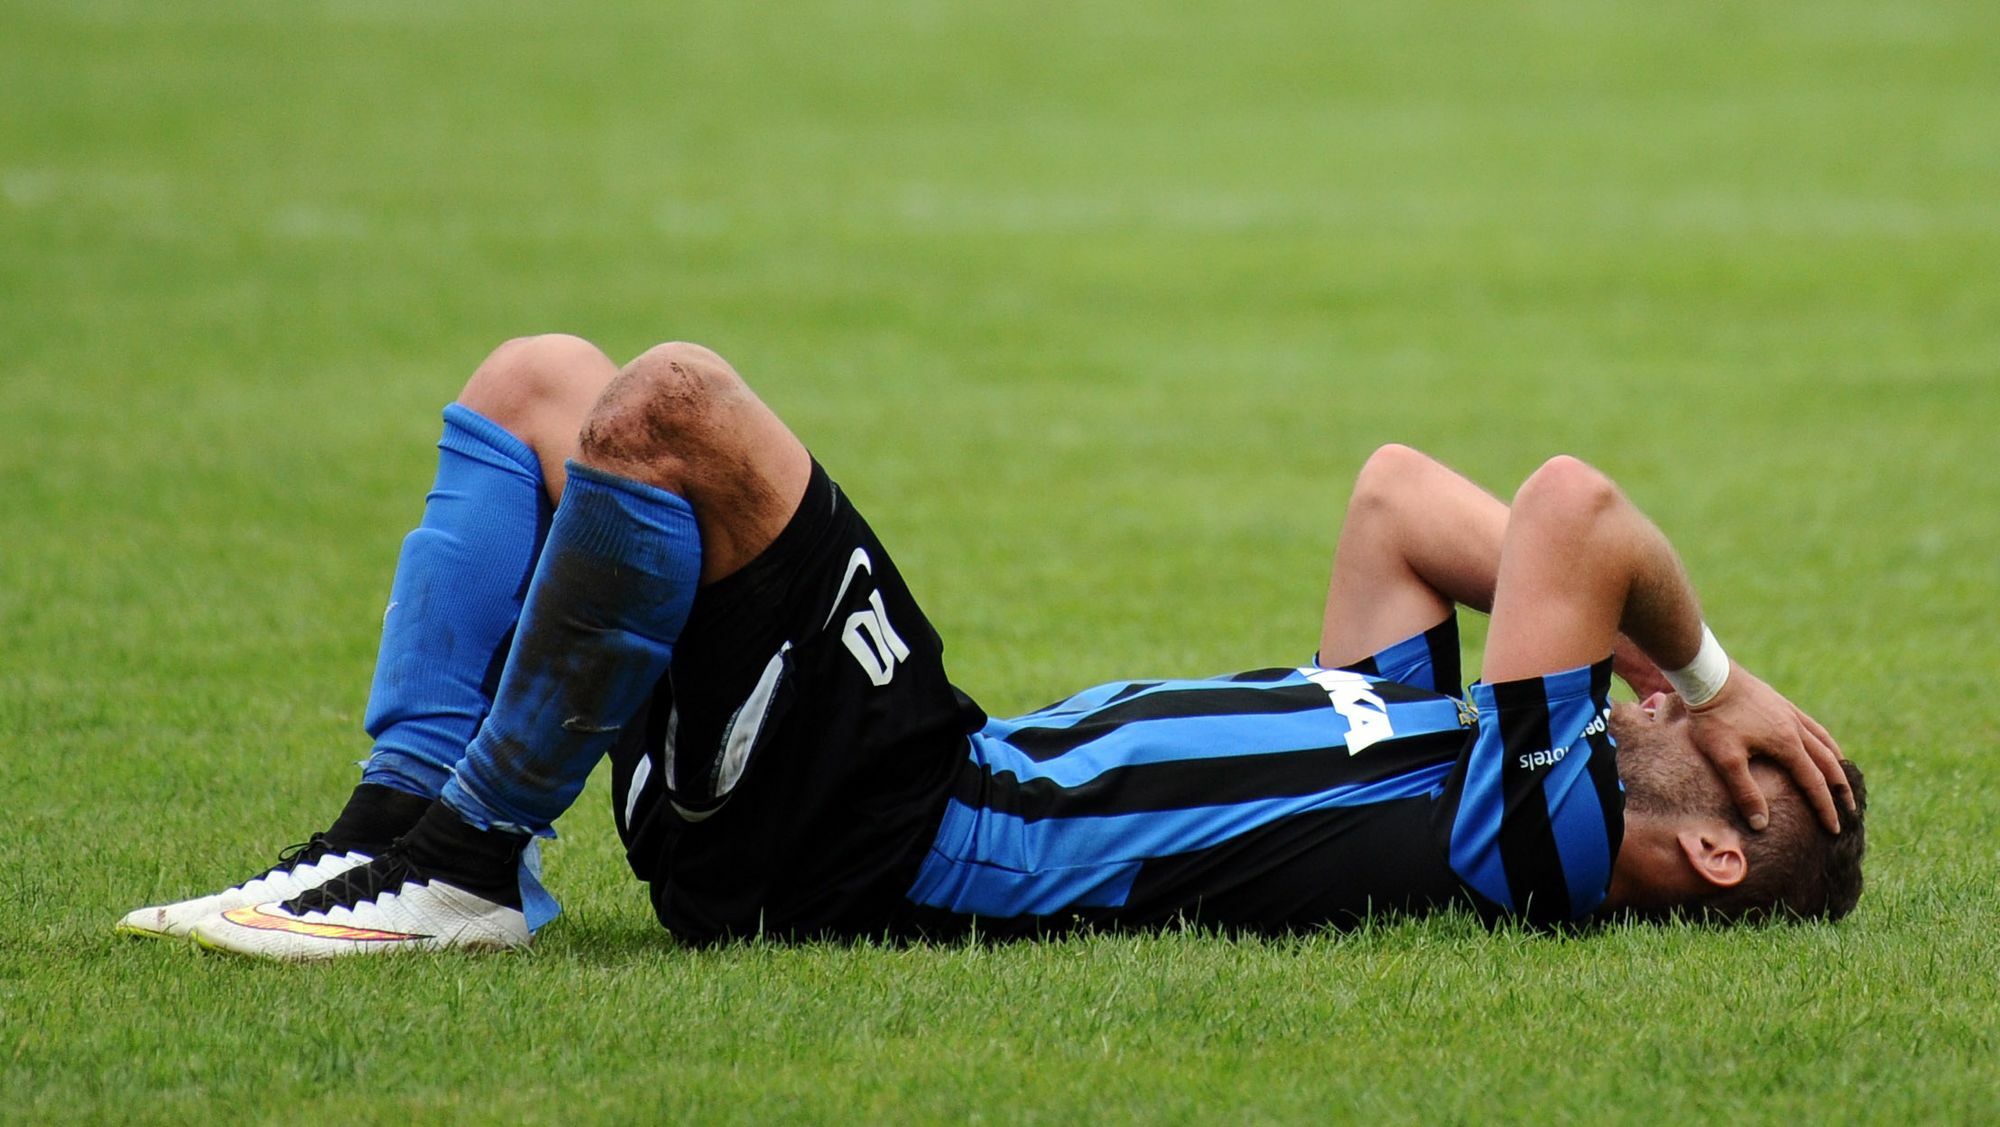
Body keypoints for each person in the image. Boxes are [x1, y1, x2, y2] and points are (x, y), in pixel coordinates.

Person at [117, 335, 1865, 959]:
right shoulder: (1448, 745)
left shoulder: (1541, 839)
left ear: (1714, 849)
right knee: (543, 388)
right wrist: (1681, 682)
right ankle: (394, 836)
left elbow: (1572, 514)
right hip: (886, 791)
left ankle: (468, 867)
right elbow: (1398, 497)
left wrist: (1723, 682)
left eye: (1741, 769)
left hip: (909, 828)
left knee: (673, 409)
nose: (1663, 701)